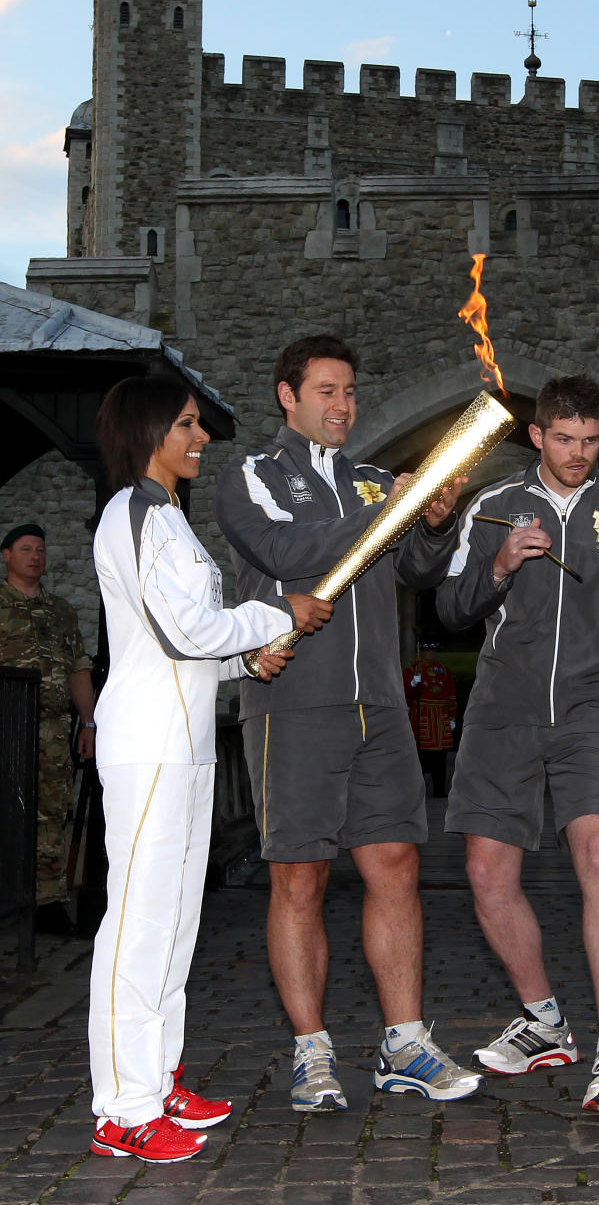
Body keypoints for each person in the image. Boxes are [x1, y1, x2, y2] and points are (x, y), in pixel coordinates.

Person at [214, 333, 482, 1113]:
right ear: (287, 396)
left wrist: (428, 520)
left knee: (395, 861)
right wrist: (389, 512)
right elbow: (282, 550)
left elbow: (421, 573)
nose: (343, 405)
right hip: (295, 703)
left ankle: (404, 1042)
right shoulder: (252, 477)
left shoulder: (371, 481)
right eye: (327, 390)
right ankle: (311, 1052)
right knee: (300, 874)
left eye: (351, 392)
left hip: (380, 704)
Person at [88, 375, 331, 1163]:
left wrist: (246, 661)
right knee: (138, 923)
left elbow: (187, 649)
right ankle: (121, 1106)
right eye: (187, 424)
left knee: (177, 923)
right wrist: (278, 612)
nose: (200, 437)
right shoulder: (131, 512)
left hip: (186, 739)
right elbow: (185, 628)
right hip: (147, 746)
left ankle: (157, 1080)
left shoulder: (170, 519)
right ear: (148, 428)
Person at [436, 374, 599, 1113]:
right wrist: (501, 565)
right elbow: (451, 607)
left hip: (593, 706)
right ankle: (544, 1019)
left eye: (589, 440)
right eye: (565, 439)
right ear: (536, 436)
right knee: (486, 869)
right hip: (503, 709)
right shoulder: (493, 505)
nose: (580, 454)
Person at [0, 522, 96, 935]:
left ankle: (48, 903)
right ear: (6, 556)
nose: (35, 556)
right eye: (25, 549)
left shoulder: (60, 611)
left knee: (52, 814)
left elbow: (78, 667)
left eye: (40, 549)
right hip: (7, 730)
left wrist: (89, 721)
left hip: (54, 732)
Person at [403, 640, 457, 797]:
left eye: (434, 651)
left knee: (440, 758)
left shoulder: (444, 671)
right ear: (421, 652)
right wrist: (413, 683)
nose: (431, 654)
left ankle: (440, 791)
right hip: (421, 719)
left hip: (440, 721)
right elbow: (406, 697)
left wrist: (452, 717)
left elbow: (451, 696)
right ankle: (417, 792)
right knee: (419, 758)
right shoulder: (411, 671)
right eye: (428, 651)